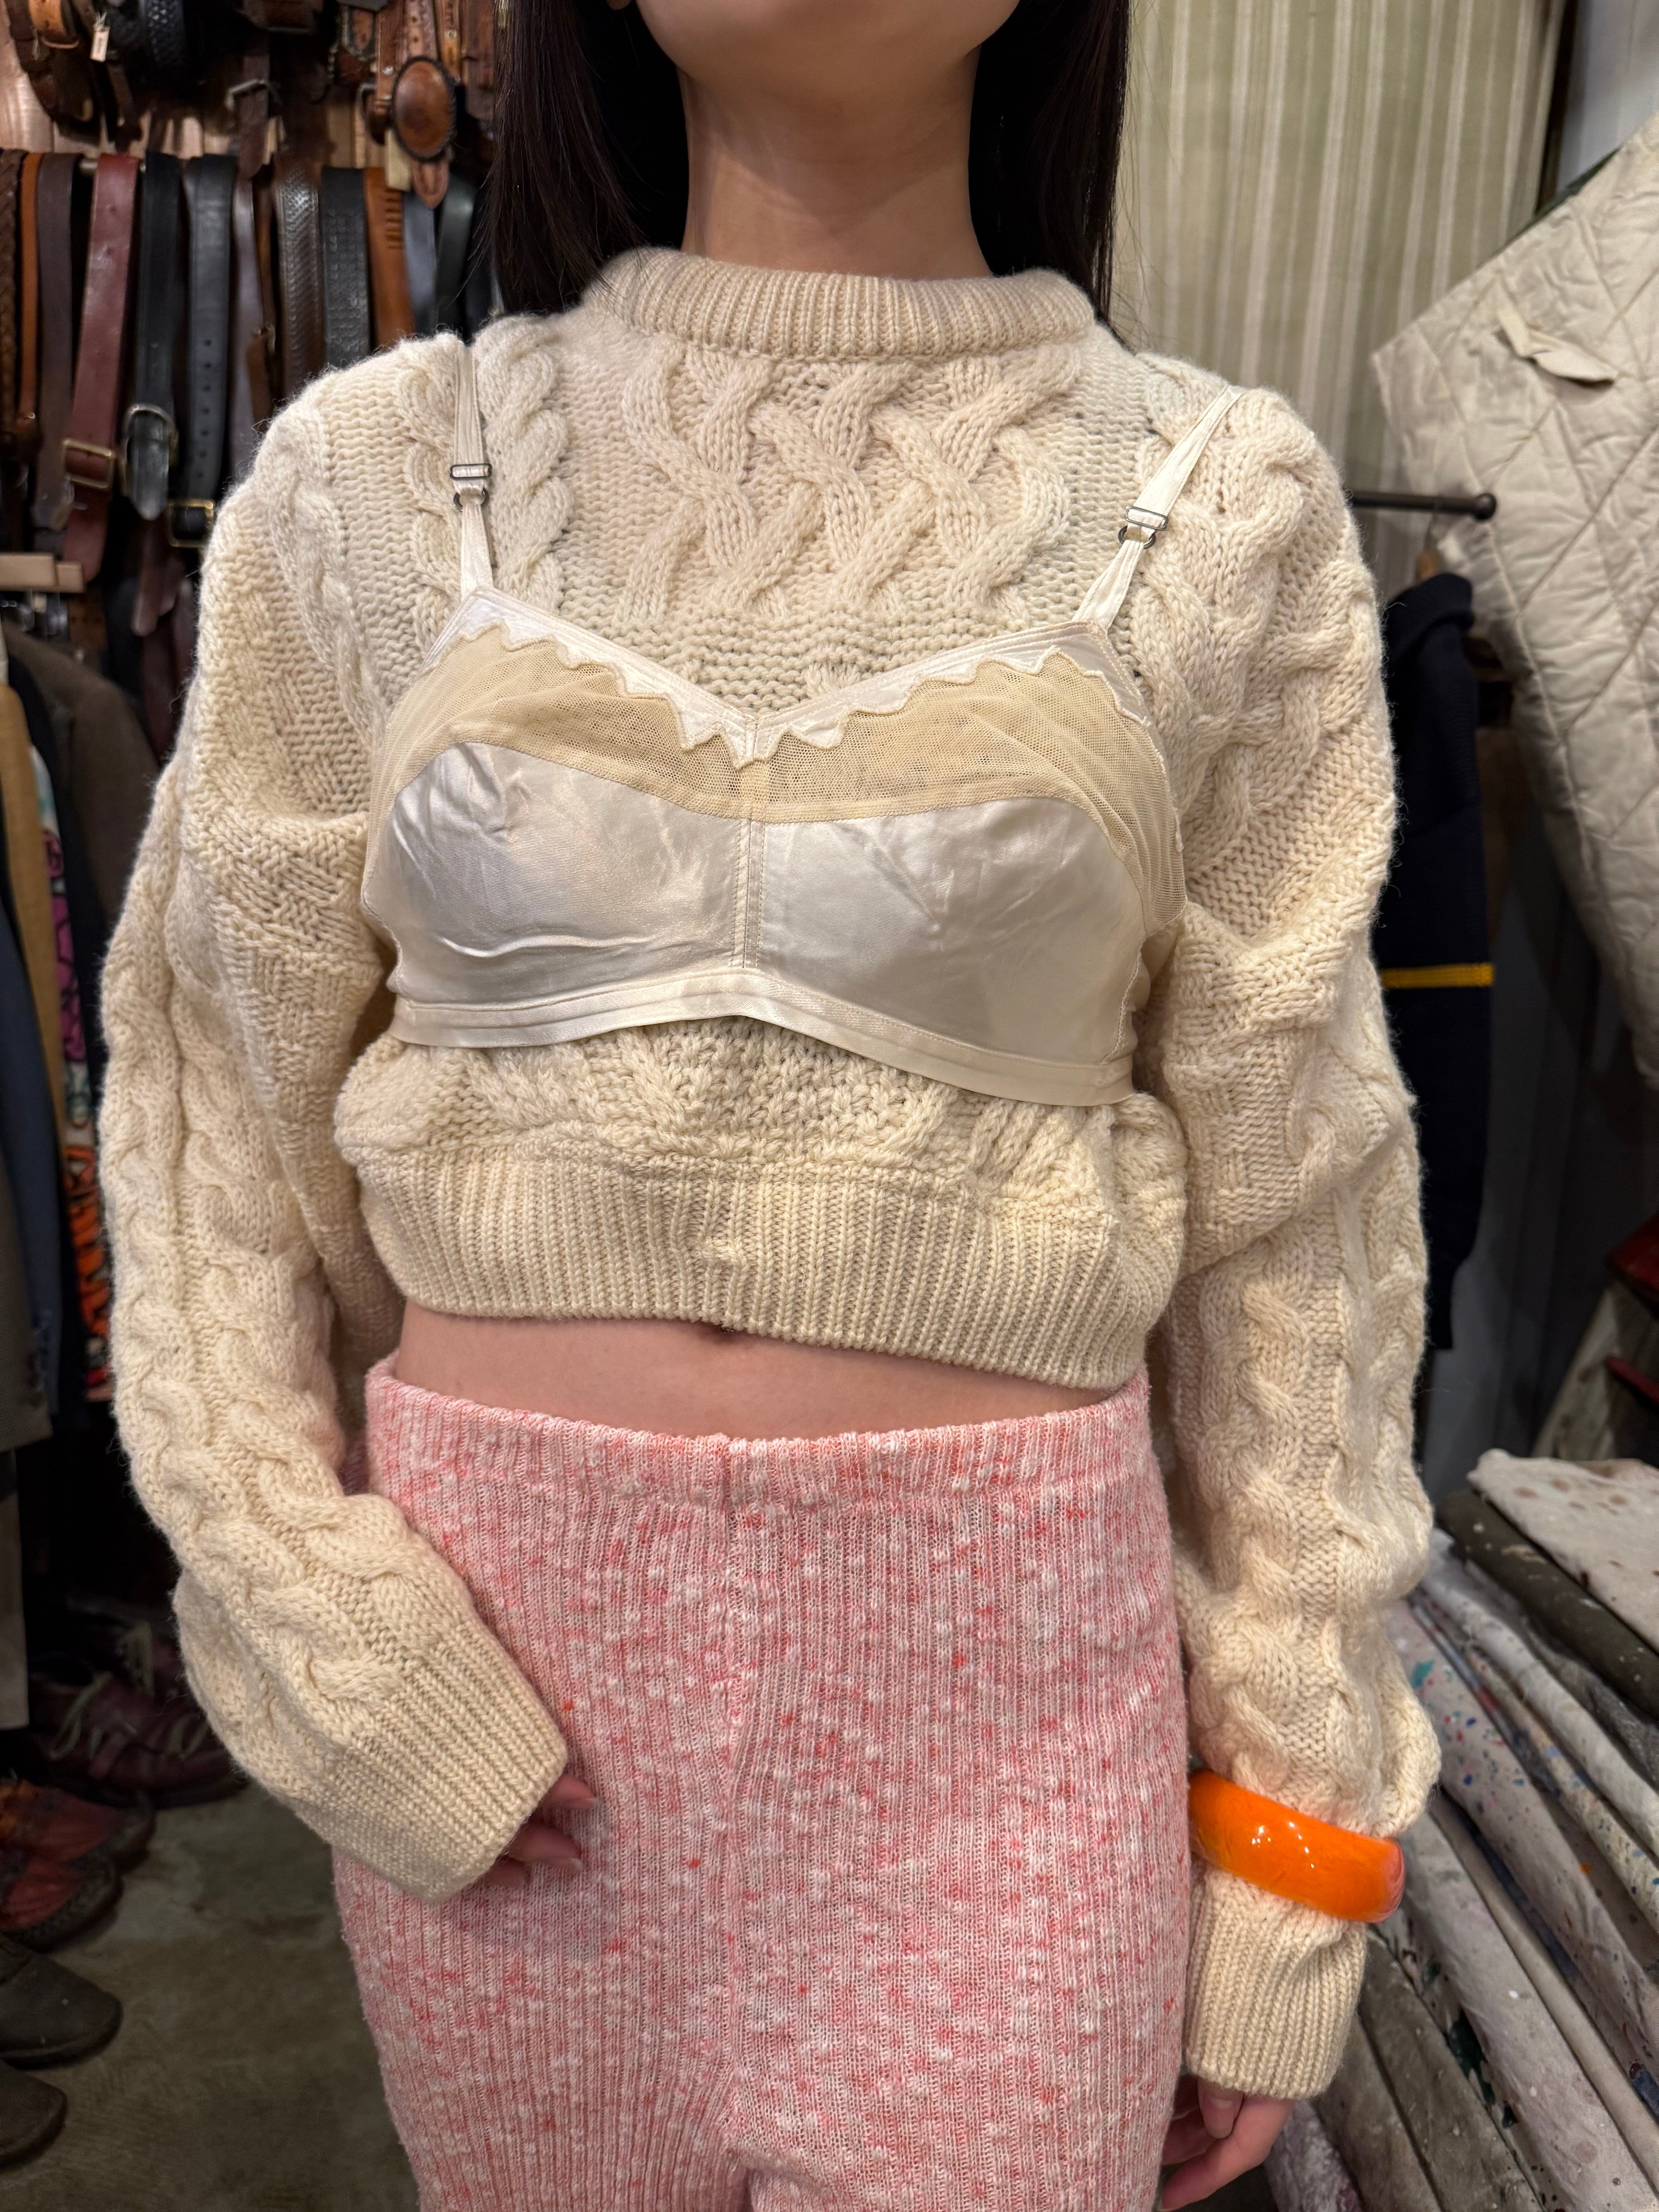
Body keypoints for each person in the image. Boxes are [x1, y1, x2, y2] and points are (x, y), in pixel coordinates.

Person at [98, 1, 1439, 2204]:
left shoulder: (1224, 506)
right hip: (505, 1740)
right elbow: (208, 1124)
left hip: (1013, 1749)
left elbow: (1300, 1227)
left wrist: (1294, 1844)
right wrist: (307, 1630)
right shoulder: (370, 481)